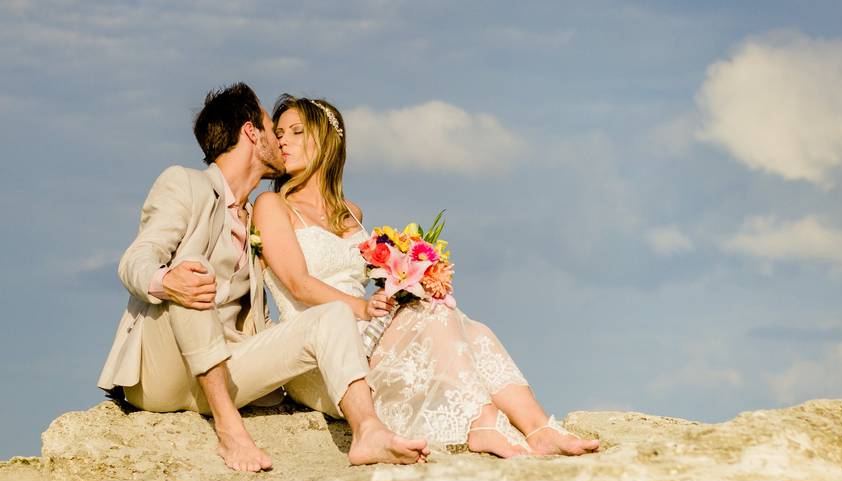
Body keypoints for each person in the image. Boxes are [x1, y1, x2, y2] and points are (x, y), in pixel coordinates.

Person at [98, 83, 429, 472]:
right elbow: (135, 259)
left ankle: (368, 431)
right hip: (164, 372)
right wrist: (166, 280)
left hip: (229, 369)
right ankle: (230, 431)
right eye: (273, 129)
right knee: (191, 269)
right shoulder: (185, 183)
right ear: (252, 133)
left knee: (331, 316)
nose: (280, 139)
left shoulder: (259, 215)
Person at [254, 94, 601, 458]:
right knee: (437, 315)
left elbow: (373, 278)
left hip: (365, 326)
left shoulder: (350, 213)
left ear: (326, 141)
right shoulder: (273, 205)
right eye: (279, 133)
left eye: (296, 131)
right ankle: (482, 423)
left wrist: (409, 283)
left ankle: (538, 427)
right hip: (321, 346)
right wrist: (361, 307)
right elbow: (297, 283)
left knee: (464, 323)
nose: (282, 140)